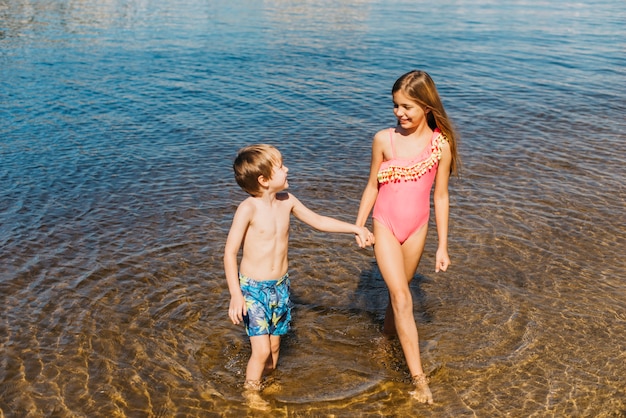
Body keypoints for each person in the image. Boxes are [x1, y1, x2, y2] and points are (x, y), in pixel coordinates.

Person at [224, 144, 372, 410]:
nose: (287, 169)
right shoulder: (248, 209)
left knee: (275, 349)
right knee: (260, 351)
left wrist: (355, 228)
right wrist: (236, 295)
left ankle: (264, 382)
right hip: (253, 289)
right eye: (280, 166)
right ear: (264, 180)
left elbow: (319, 221)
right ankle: (251, 396)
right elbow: (229, 252)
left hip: (280, 287)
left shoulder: (287, 201)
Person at [355, 70, 460, 404]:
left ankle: (386, 339)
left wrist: (442, 245)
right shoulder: (383, 140)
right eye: (395, 105)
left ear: (426, 107)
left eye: (407, 107)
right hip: (385, 224)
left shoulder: (439, 145)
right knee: (402, 298)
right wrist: (360, 225)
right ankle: (419, 380)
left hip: (417, 229)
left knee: (397, 296)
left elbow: (440, 196)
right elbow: (373, 185)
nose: (399, 113)